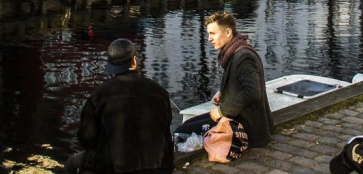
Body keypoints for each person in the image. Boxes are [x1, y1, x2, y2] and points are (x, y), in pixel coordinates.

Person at [67, 39, 174, 174]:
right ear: (134, 61)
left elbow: (86, 138)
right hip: (157, 167)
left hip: (113, 168)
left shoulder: (99, 95)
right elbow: (166, 130)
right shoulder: (160, 92)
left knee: (72, 163)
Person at [177, 12, 273, 149]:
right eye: (208, 34)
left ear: (228, 32)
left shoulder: (244, 57)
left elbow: (252, 92)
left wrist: (221, 111)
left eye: (213, 34)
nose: (209, 38)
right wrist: (223, 91)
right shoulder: (234, 52)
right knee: (187, 125)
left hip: (245, 127)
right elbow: (239, 83)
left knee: (181, 131)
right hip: (236, 118)